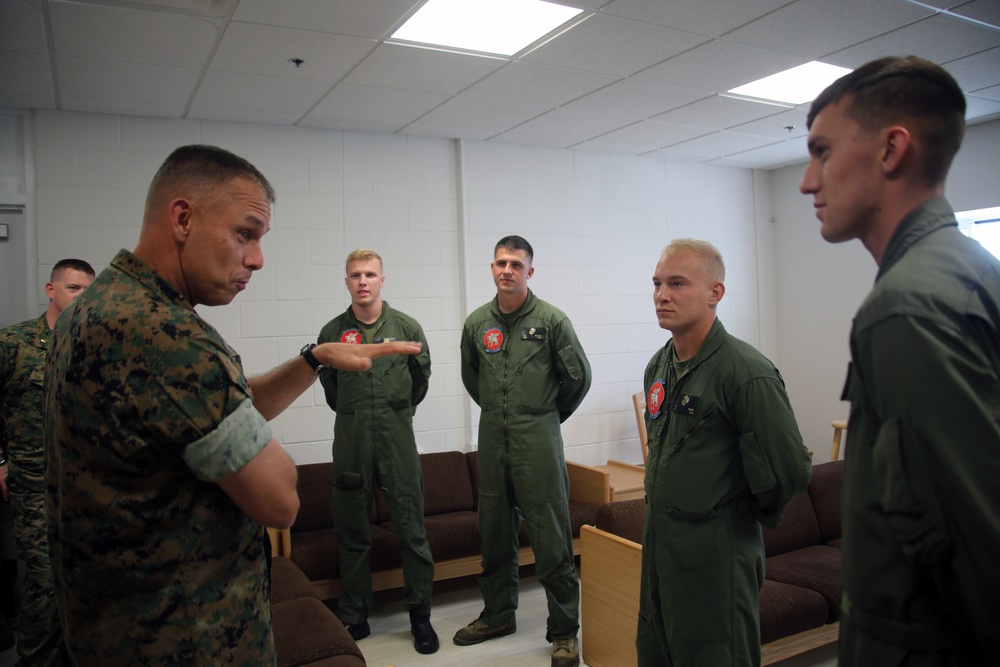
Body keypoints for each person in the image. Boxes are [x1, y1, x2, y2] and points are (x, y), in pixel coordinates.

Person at [42, 144, 422, 666]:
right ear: (182, 218)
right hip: (184, 638)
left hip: (110, 628)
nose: (258, 258)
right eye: (245, 233)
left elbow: (208, 410)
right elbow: (281, 499)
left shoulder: (93, 307)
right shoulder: (169, 337)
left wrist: (312, 359)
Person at [800, 55, 1000, 665]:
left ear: (891, 149)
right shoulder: (975, 270)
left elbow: (976, 544)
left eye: (823, 152)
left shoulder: (906, 309)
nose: (808, 181)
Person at [638, 239, 812, 667]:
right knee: (658, 649)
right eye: (658, 283)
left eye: (677, 283)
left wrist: (733, 514)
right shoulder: (658, 367)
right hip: (661, 545)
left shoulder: (745, 373)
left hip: (717, 549)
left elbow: (788, 469)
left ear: (715, 293)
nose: (662, 295)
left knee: (716, 654)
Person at [454, 235, 591, 667]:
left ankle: (565, 632)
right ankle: (497, 615)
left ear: (530, 271)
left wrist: (544, 417)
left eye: (516, 263)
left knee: (551, 539)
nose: (507, 270)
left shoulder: (552, 321)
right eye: (500, 262)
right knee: (494, 533)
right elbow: (471, 378)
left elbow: (578, 379)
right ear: (491, 268)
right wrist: (502, 413)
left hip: (539, 438)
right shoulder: (478, 324)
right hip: (493, 436)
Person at [317, 248, 438, 654]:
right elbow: (333, 392)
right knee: (352, 536)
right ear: (347, 282)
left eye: (370, 274)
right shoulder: (332, 333)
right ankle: (355, 616)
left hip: (396, 443)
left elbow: (420, 380)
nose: (363, 281)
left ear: (382, 280)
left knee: (413, 533)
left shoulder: (406, 328)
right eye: (355, 275)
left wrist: (395, 410)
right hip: (351, 445)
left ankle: (420, 617)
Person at [1, 258, 95, 665]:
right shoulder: (13, 344)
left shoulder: (96, 345)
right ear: (50, 290)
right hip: (36, 488)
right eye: (74, 288)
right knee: (43, 589)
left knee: (88, 590)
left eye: (88, 291)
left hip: (91, 491)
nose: (81, 297)